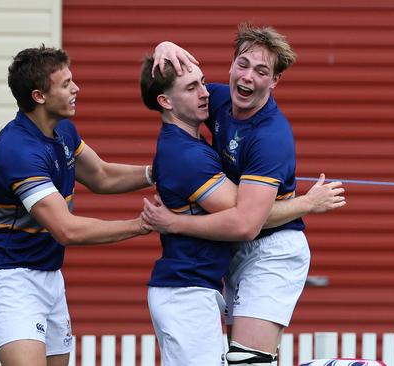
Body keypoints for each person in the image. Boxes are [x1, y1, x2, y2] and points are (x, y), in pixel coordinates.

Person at [0, 45, 192, 366]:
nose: (76, 88)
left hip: (49, 274)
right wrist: (142, 224)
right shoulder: (18, 149)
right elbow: (66, 229)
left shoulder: (62, 129)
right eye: (65, 84)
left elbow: (101, 175)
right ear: (39, 96)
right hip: (11, 279)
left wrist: (157, 173)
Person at [144, 22, 346, 365]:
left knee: (248, 360)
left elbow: (246, 223)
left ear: (274, 81)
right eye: (243, 64)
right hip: (233, 251)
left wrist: (174, 223)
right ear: (231, 64)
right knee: (242, 360)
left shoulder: (271, 137)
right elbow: (174, 97)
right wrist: (164, 44)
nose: (248, 77)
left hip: (273, 250)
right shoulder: (217, 100)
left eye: (261, 71)